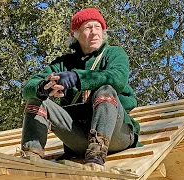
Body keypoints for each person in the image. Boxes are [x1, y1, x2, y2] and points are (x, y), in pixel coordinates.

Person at [20, 7, 141, 167]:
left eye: (98, 27)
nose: (95, 32)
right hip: (79, 139)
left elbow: (117, 78)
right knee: (36, 98)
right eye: (88, 28)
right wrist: (44, 87)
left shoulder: (114, 54)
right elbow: (28, 88)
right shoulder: (63, 64)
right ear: (75, 34)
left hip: (115, 134)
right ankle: (31, 157)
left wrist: (77, 78)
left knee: (106, 89)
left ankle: (97, 156)